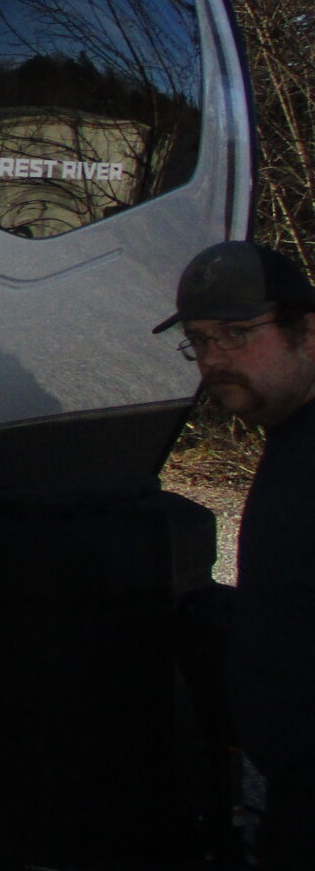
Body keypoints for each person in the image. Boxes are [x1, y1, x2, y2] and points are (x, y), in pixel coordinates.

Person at [157, 240, 315, 867]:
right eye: (199, 341)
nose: (215, 359)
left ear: (306, 328)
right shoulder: (290, 432)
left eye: (237, 333)